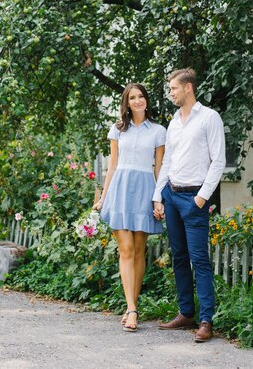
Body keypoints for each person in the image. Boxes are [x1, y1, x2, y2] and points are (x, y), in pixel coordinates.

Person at [153, 68, 226, 343]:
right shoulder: (174, 122)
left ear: (188, 88)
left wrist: (201, 197)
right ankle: (186, 313)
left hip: (194, 198)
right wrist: (158, 195)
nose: (171, 93)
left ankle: (206, 320)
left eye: (173, 88)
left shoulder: (209, 118)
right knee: (179, 258)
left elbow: (218, 162)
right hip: (172, 196)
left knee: (200, 261)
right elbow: (168, 162)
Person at [93, 83, 166, 333]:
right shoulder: (117, 130)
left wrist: (159, 199)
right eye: (132, 97)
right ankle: (133, 309)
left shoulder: (158, 131)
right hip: (120, 191)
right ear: (127, 102)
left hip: (145, 190)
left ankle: (131, 307)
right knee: (125, 249)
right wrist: (103, 197)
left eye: (141, 96)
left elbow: (159, 169)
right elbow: (112, 166)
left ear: (146, 99)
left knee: (137, 251)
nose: (137, 101)